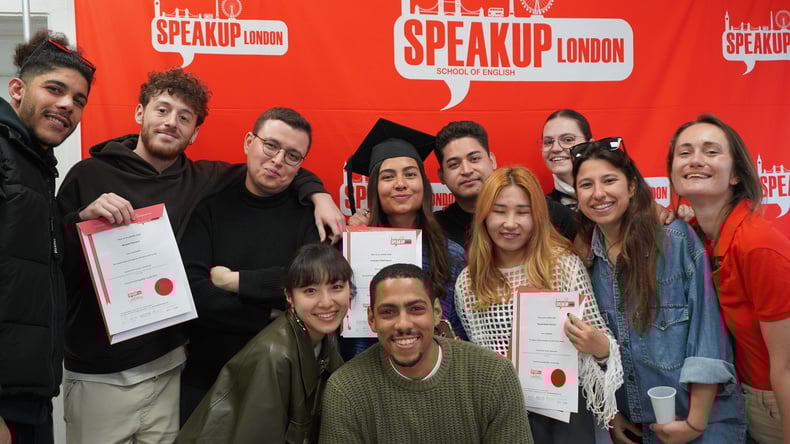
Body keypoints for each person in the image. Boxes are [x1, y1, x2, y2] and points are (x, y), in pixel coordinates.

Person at [56, 68, 344, 444]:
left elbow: (275, 170)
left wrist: (319, 194)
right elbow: (52, 260)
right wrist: (80, 220)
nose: (171, 122)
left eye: (184, 117)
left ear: (194, 133)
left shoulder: (203, 180)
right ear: (140, 112)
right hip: (100, 370)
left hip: (169, 366)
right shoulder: (88, 175)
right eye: (162, 110)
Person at [573, 136, 746, 443]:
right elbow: (597, 351)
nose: (598, 193)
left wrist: (694, 424)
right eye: (586, 185)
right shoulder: (587, 258)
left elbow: (707, 337)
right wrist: (612, 414)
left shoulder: (674, 241)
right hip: (637, 427)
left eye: (609, 180)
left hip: (702, 425)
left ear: (631, 187)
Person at [455, 166, 622, 442]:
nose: (510, 223)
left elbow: (607, 349)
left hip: (565, 415)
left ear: (538, 216)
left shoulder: (564, 266)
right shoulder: (468, 281)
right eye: (499, 211)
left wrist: (597, 346)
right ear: (483, 215)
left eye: (522, 212)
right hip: (503, 415)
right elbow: (478, 357)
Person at [178, 107, 324, 421]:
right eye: (270, 145)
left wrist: (233, 281)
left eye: (292, 155)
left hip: (284, 379)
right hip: (207, 379)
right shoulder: (209, 207)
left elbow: (310, 284)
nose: (278, 160)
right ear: (248, 142)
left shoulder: (310, 216)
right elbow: (193, 295)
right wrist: (268, 313)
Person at [668, 115, 790, 443]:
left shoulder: (758, 245)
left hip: (774, 400)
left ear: (736, 174)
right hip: (737, 395)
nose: (695, 160)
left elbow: (788, 367)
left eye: (711, 152)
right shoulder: (696, 237)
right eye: (684, 152)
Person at [0, 30, 95, 444]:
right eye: (54, 89)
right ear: (17, 90)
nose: (67, 105)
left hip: (31, 395)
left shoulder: (35, 165)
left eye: (78, 99)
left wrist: (76, 224)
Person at [319, 263, 533, 444]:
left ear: (437, 312)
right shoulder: (346, 389)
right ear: (372, 319)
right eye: (388, 312)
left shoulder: (493, 375)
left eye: (416, 309)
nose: (403, 324)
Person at [176, 244, 349, 443]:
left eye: (336, 287)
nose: (326, 302)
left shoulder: (325, 335)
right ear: (289, 297)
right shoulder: (274, 356)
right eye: (310, 291)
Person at [343, 118, 466, 345]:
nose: (400, 183)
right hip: (361, 361)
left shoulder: (451, 255)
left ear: (423, 185)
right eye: (388, 177)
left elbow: (460, 330)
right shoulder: (349, 251)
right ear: (374, 189)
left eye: (410, 174)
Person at [434, 120, 576, 248]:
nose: (466, 170)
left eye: (474, 159)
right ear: (442, 176)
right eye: (454, 164)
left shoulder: (547, 211)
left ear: (492, 161)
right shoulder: (436, 229)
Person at [540, 109, 593, 210]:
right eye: (548, 142)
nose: (555, 148)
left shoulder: (617, 197)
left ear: (590, 145)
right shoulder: (541, 210)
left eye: (568, 140)